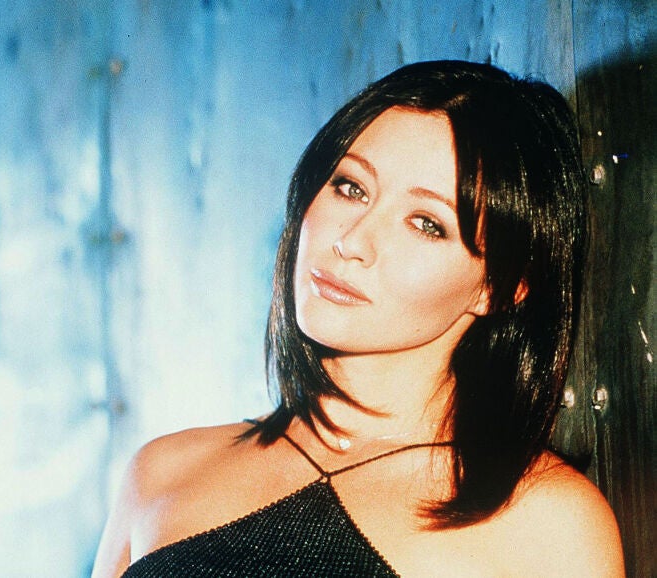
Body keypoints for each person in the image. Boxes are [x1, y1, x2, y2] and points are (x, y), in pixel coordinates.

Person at [90, 60, 624, 577]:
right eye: (351, 187)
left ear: (500, 287)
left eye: (426, 222)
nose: (351, 241)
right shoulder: (163, 472)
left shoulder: (547, 525)